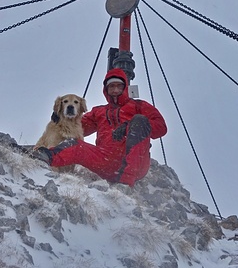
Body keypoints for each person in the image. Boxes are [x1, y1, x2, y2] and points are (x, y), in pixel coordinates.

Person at [31, 68, 167, 186]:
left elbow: (161, 128)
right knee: (76, 144)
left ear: (125, 87)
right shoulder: (99, 112)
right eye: (111, 87)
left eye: (119, 86)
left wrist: (129, 127)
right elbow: (77, 126)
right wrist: (60, 116)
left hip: (135, 162)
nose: (115, 90)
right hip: (106, 160)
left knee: (139, 120)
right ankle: (43, 156)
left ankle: (126, 181)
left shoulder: (139, 106)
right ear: (106, 90)